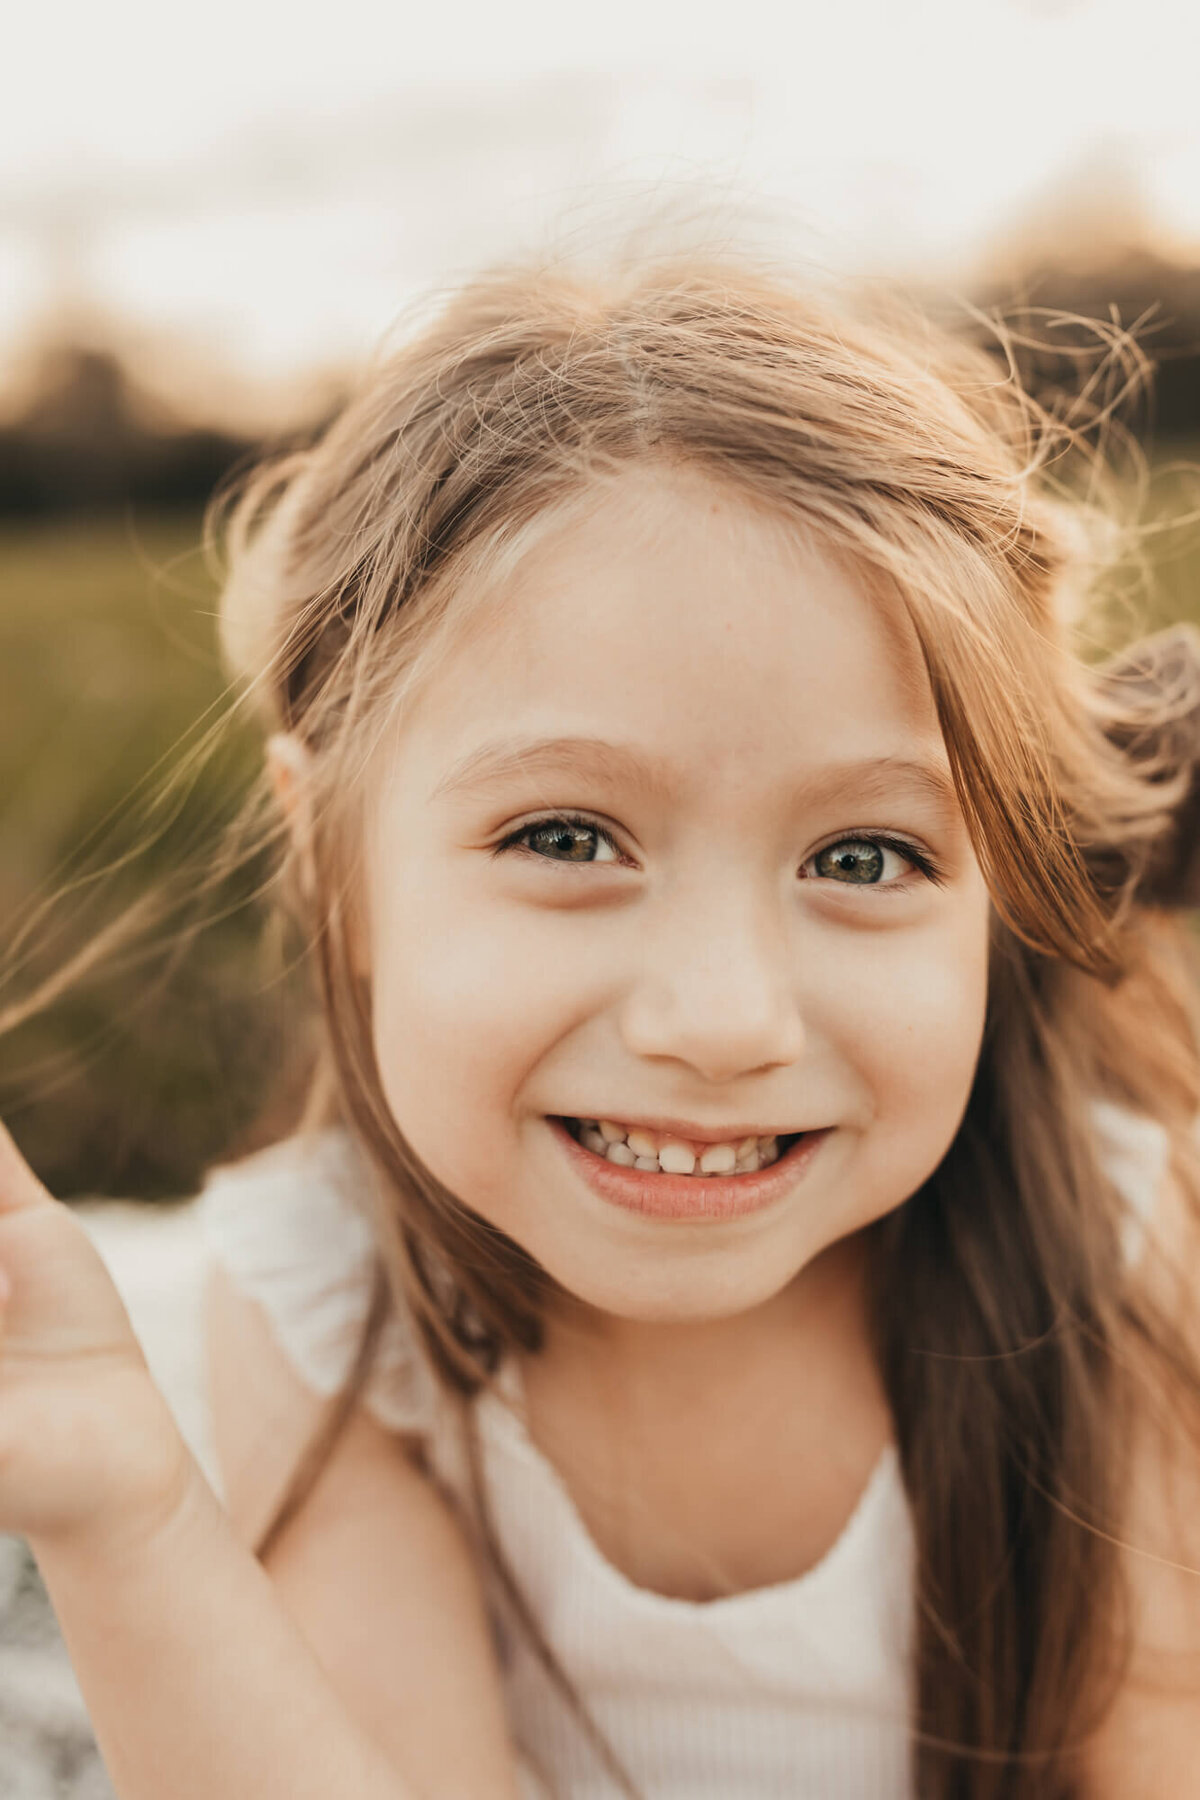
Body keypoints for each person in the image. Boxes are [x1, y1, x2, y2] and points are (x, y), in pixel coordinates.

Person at [2, 240, 1200, 1800]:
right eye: (567, 839)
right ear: (331, 860)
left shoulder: (1118, 1257)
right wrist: (126, 1514)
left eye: (865, 857)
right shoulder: (326, 1300)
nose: (723, 1022)